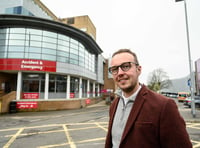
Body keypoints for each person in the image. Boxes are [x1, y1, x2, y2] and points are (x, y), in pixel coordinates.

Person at [105, 49, 192, 148]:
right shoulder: (114, 105)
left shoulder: (164, 106)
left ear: (139, 69)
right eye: (114, 69)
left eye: (126, 66)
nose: (119, 73)